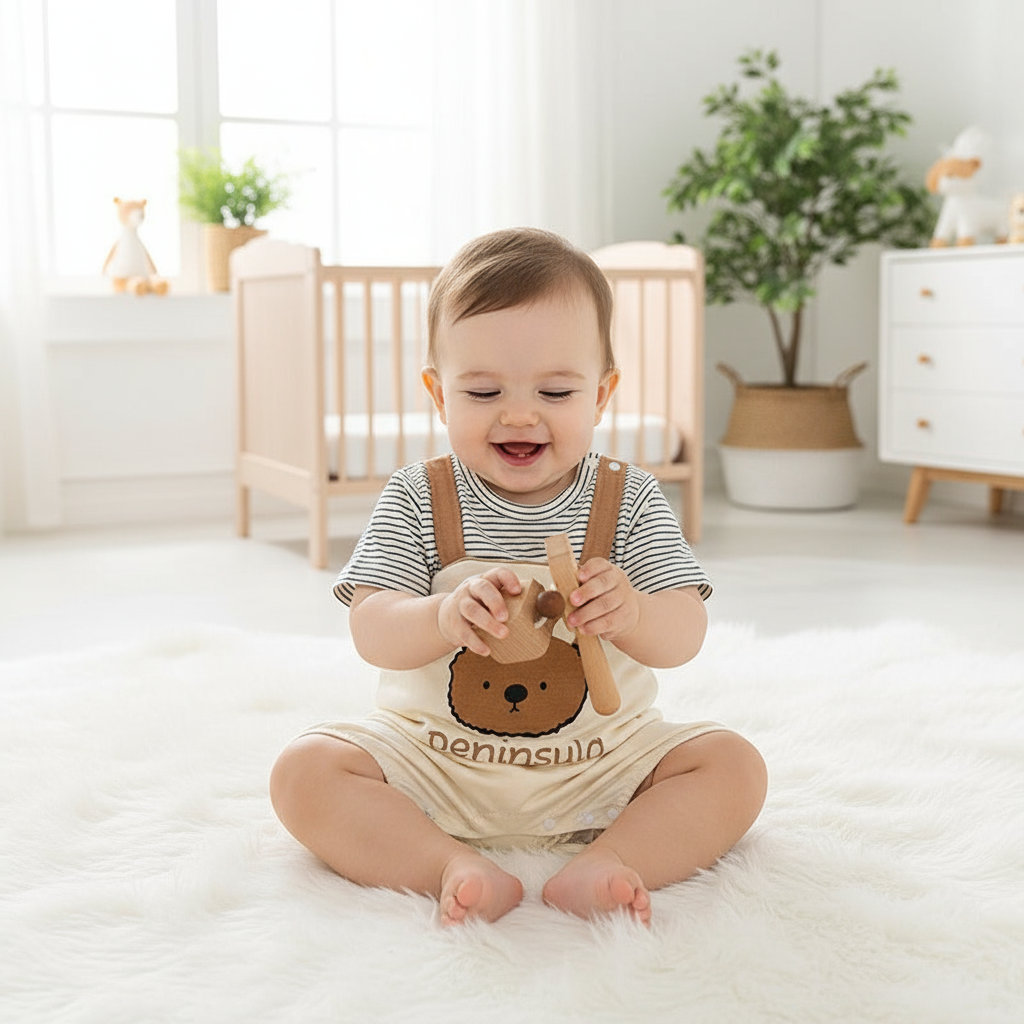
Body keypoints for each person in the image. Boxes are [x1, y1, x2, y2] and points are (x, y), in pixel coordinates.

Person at [270, 228, 767, 927]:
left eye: (556, 390)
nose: (520, 413)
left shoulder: (630, 499)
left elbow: (685, 630)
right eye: (483, 390)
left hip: (602, 762)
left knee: (733, 765)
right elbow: (372, 628)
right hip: (437, 762)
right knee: (304, 771)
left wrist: (632, 614)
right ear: (439, 395)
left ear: (602, 394)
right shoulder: (420, 496)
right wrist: (441, 616)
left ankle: (610, 859)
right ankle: (447, 862)